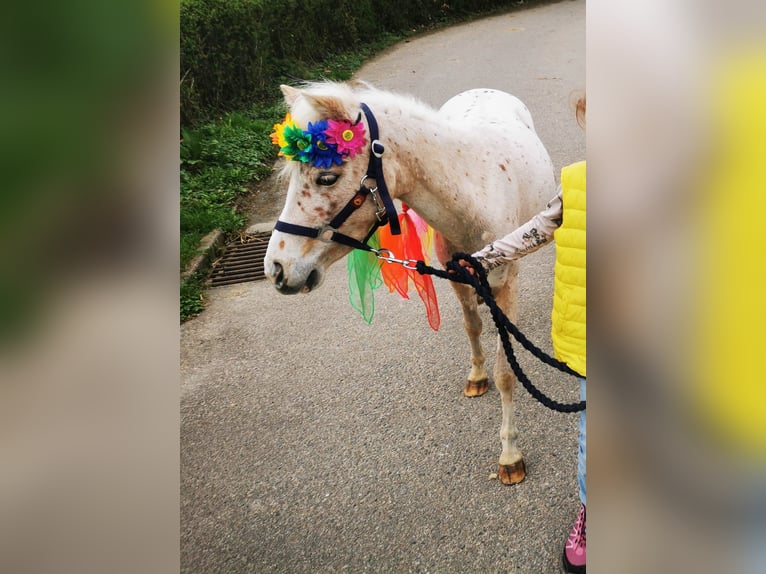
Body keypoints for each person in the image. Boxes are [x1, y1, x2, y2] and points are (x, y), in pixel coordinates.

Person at [459, 95, 586, 573]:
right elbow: (537, 229)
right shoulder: (579, 183)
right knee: (597, 441)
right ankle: (594, 513)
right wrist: (482, 258)